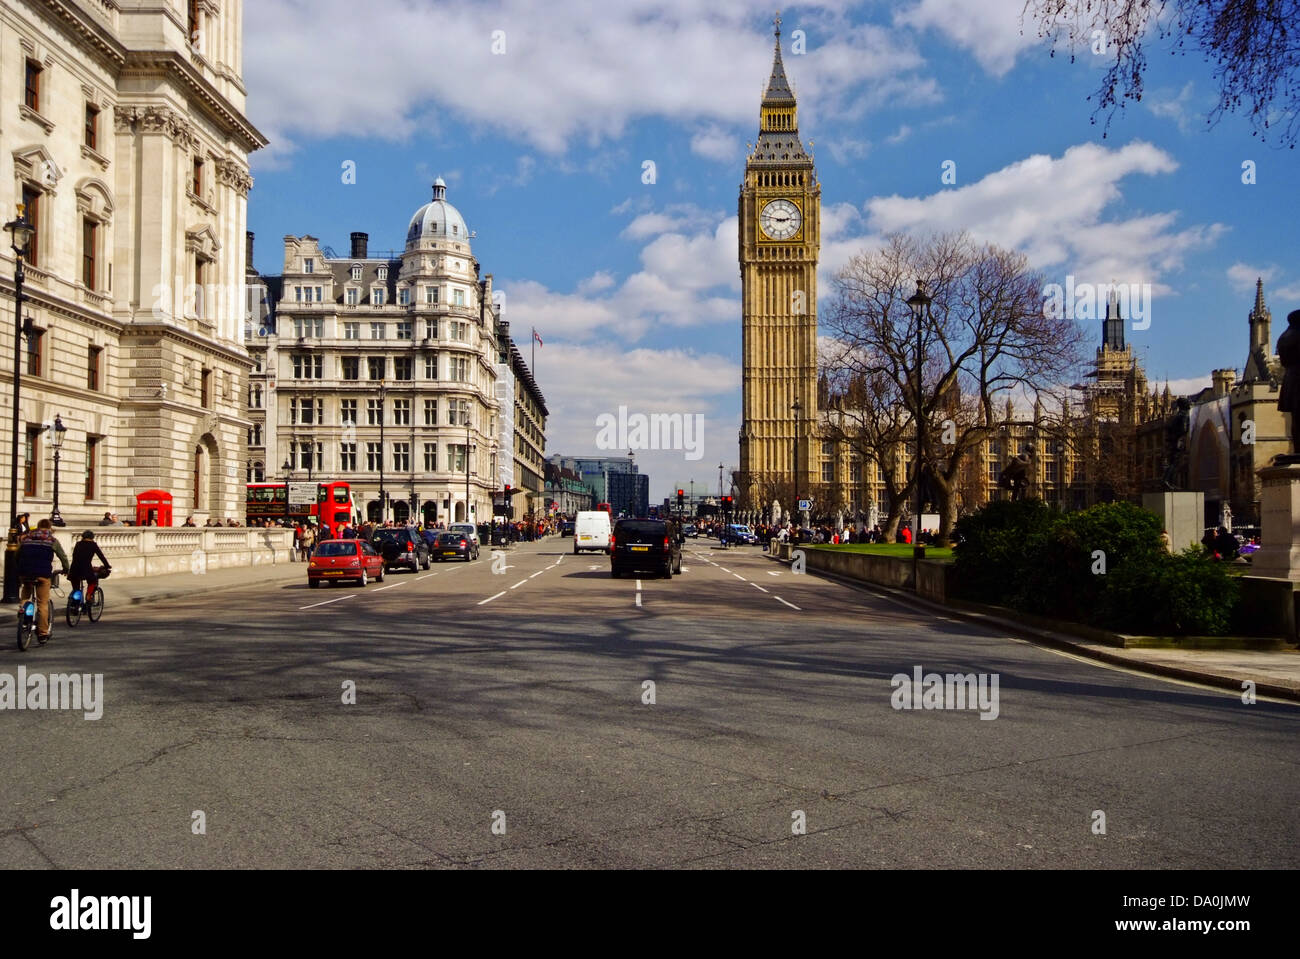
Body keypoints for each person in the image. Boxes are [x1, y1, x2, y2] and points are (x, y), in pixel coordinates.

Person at [17, 519, 70, 643]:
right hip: (42, 574)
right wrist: (66, 569)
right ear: (49, 527)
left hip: (26, 572)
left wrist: (19, 569)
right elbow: (62, 556)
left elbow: (17, 555)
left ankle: (22, 613)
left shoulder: (26, 539)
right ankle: (42, 633)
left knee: (26, 591)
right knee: (42, 603)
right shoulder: (52, 540)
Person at [69, 530, 111, 607]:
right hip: (86, 568)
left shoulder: (78, 544)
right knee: (92, 581)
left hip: (74, 568)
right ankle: (88, 596)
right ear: (92, 538)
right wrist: (107, 565)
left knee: (76, 587)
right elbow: (101, 556)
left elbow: (75, 556)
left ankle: (76, 602)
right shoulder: (93, 545)